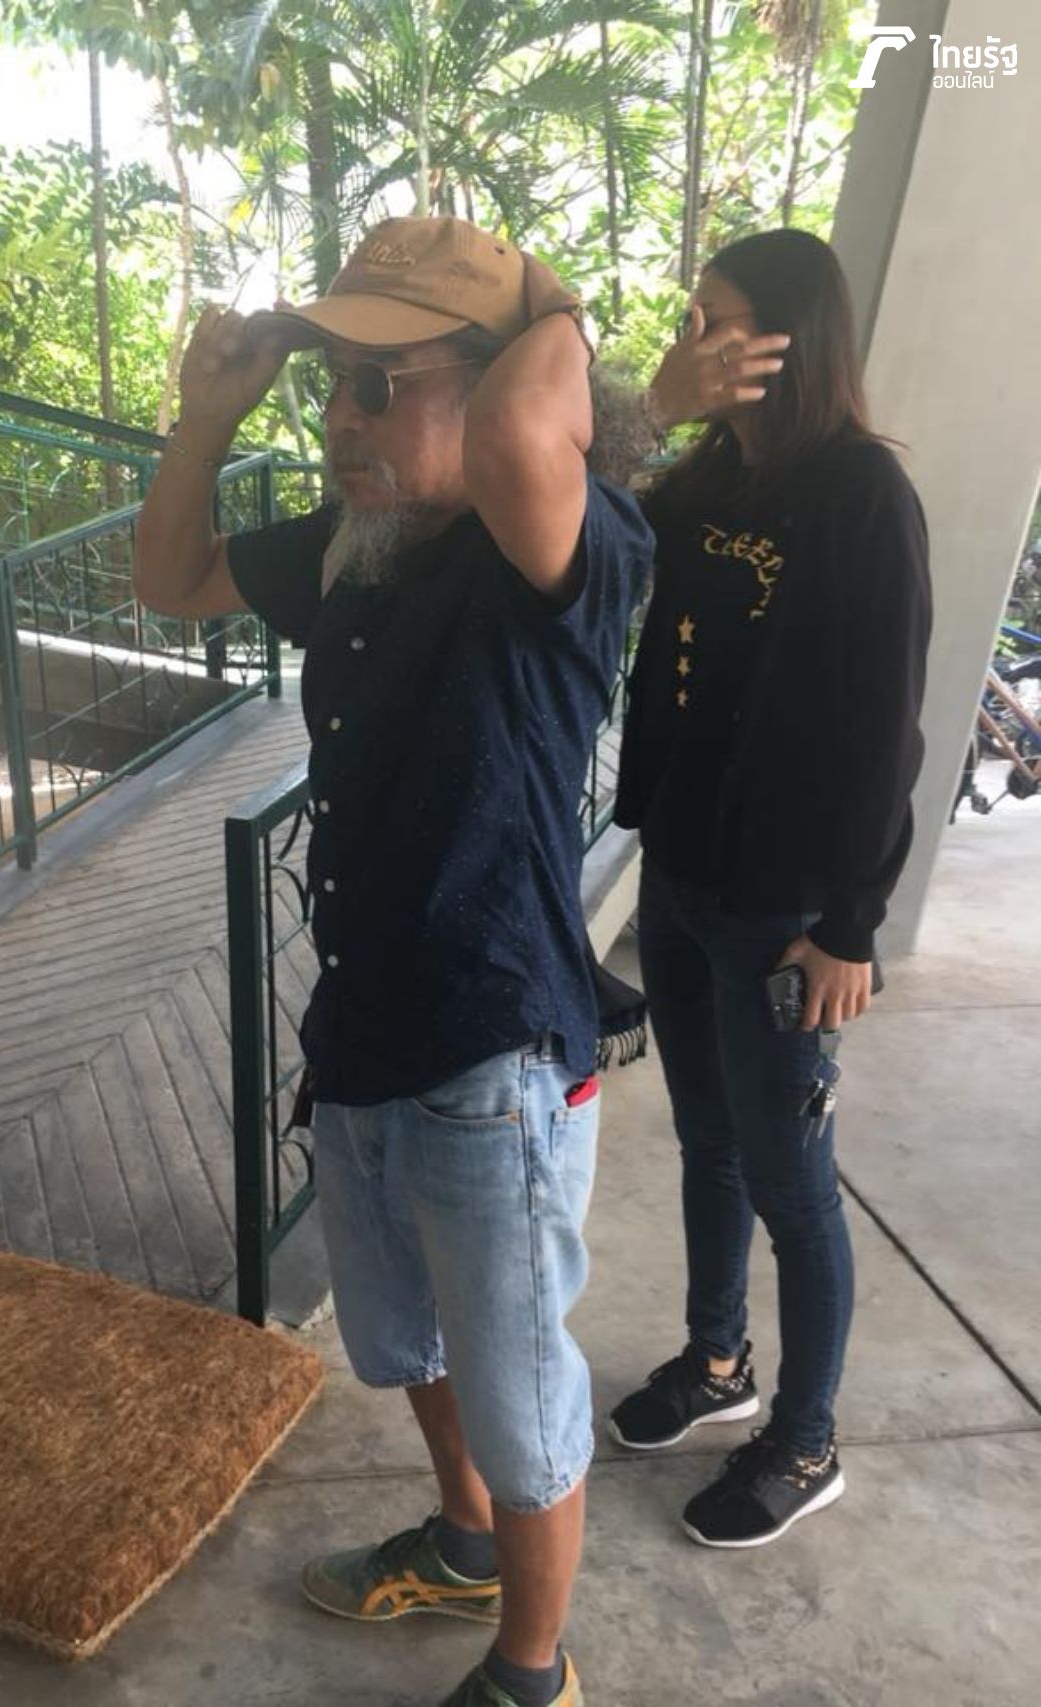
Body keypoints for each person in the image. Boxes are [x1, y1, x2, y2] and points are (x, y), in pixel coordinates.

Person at [131, 216, 781, 1707]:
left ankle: (531, 1674)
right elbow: (171, 577)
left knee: (521, 1390)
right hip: (366, 1025)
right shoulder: (355, 547)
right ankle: (466, 1539)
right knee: (407, 1340)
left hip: (494, 1050)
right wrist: (209, 415)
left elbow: (517, 439)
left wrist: (560, 318)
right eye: (332, 385)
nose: (341, 418)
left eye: (382, 383)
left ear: (498, 384)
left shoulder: (565, 547)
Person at [608, 229, 932, 1548]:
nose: (698, 340)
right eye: (693, 319)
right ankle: (717, 1362)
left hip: (784, 904)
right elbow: (589, 526)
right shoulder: (704, 482)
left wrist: (849, 925)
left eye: (721, 321)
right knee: (708, 1141)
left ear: (794, 337)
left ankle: (805, 1443)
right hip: (682, 872)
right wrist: (653, 408)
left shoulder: (862, 494)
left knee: (793, 1185)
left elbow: (889, 728)